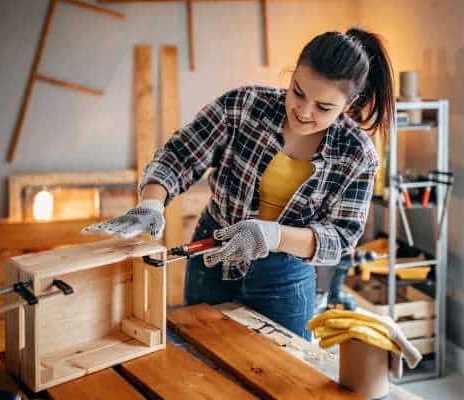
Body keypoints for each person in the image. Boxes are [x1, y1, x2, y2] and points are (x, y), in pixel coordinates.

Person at [83, 27, 395, 340]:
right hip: (213, 253)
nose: (303, 110)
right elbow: (179, 156)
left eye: (323, 107)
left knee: (281, 374)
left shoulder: (357, 154)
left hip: (284, 274)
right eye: (297, 91)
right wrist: (151, 201)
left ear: (350, 103)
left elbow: (340, 239)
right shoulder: (244, 106)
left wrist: (272, 235)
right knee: (204, 361)